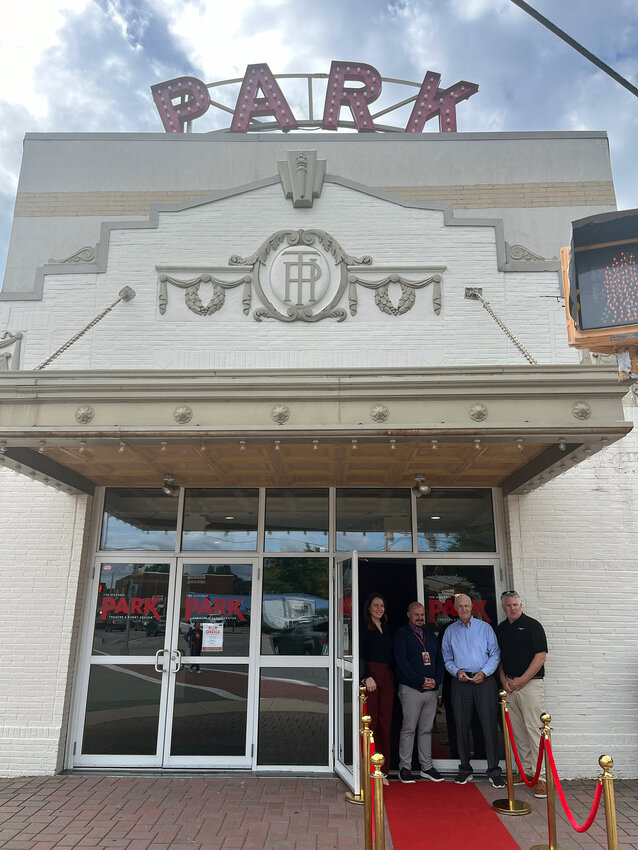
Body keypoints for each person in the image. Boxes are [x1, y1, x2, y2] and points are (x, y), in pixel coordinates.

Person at [441, 593, 504, 787]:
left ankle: (494, 770)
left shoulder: (485, 628)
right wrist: (456, 671)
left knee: (489, 725)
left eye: (467, 606)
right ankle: (465, 768)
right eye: (460, 606)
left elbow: (495, 654)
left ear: (472, 607)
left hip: (484, 681)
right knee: (461, 726)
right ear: (455, 609)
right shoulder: (450, 631)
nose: (464, 609)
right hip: (460, 681)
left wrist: (485, 672)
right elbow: (447, 658)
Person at [496, 590, 548, 799]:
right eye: (508, 605)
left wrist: (522, 680)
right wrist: (503, 680)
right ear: (503, 607)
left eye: (515, 604)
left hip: (530, 685)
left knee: (534, 729)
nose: (513, 608)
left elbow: (541, 656)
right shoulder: (501, 629)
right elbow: (498, 657)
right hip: (509, 685)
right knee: (518, 731)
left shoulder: (533, 626)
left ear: (521, 604)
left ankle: (542, 777)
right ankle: (526, 772)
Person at [393, 601, 445, 784]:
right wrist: (420, 680)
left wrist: (436, 681)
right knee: (409, 729)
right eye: (417, 615)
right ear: (409, 615)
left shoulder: (431, 635)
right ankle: (405, 767)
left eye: (422, 615)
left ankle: (427, 767)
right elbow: (402, 662)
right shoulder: (402, 635)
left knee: (426, 730)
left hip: (430, 690)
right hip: (411, 689)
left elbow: (439, 660)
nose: (420, 617)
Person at [360, 593, 394, 785]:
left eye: (382, 606)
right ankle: (368, 768)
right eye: (376, 605)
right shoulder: (364, 628)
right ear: (368, 608)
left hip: (386, 676)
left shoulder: (386, 628)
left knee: (385, 722)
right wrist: (367, 675)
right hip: (371, 675)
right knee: (370, 722)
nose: (379, 609)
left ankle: (384, 770)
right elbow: (361, 652)